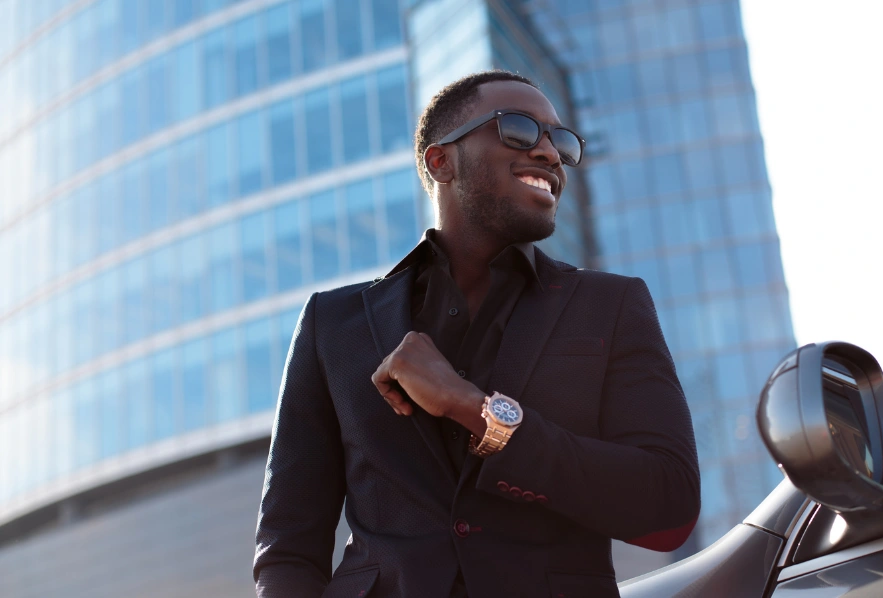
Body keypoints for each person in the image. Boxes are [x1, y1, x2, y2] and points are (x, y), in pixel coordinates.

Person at [253, 70, 700, 598]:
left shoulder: (610, 305)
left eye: (560, 141)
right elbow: (288, 546)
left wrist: (472, 407)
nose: (550, 154)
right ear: (440, 161)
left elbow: (668, 505)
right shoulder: (334, 322)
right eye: (519, 129)